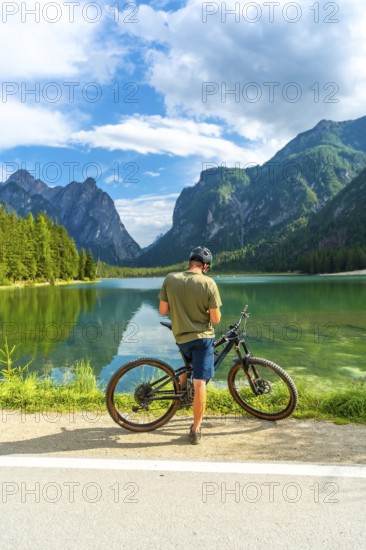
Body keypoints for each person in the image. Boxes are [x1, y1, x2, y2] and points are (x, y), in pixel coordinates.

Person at [158, 246, 222, 444]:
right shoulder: (208, 283)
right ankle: (196, 428)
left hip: (181, 337)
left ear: (189, 262)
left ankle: (182, 395)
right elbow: (216, 319)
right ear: (205, 266)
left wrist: (182, 310)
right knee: (200, 382)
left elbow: (162, 310)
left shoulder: (170, 279)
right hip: (202, 339)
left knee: (188, 365)